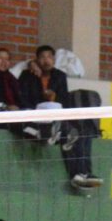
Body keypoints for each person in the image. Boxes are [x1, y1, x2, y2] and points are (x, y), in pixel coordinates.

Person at [18, 44, 102, 189]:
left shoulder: (59, 76)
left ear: (54, 59)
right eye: (42, 57)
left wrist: (53, 98)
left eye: (49, 57)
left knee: (79, 133)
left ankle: (82, 173)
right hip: (35, 114)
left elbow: (63, 100)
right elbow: (22, 98)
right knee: (67, 134)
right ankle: (77, 171)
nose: (46, 60)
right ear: (37, 59)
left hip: (56, 113)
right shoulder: (27, 75)